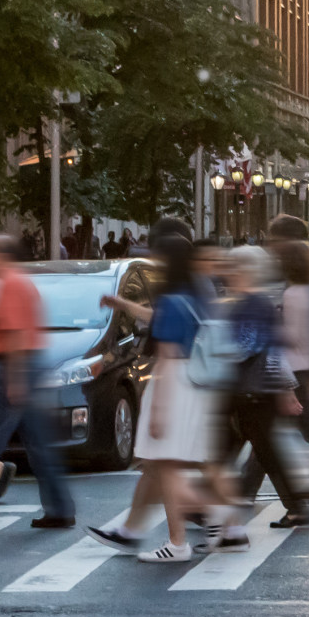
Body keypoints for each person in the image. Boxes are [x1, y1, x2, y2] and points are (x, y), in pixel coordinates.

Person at [92, 231, 221, 561]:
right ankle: (130, 532)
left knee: (165, 467)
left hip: (172, 384)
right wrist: (122, 304)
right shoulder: (189, 295)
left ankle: (184, 539)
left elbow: (166, 355)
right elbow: (160, 320)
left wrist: (159, 408)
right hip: (191, 383)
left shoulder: (172, 298)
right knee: (155, 464)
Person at [0, 235, 76, 529]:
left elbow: (13, 334)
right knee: (39, 445)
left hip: (13, 367)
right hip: (26, 367)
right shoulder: (20, 282)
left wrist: (14, 379)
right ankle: (60, 508)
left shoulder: (10, 284)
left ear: (1, 255)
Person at [240, 238, 309, 508]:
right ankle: (245, 488)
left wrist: (269, 328)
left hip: (291, 370)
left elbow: (292, 335)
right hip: (304, 368)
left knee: (292, 430)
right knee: (273, 431)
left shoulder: (292, 295)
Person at [222, 244, 309, 530]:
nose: (228, 273)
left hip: (252, 392)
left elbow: (250, 348)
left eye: (233, 268)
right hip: (250, 390)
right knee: (253, 451)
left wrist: (214, 349)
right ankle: (296, 507)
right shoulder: (250, 302)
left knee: (255, 452)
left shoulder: (254, 304)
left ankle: (207, 505)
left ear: (247, 271)